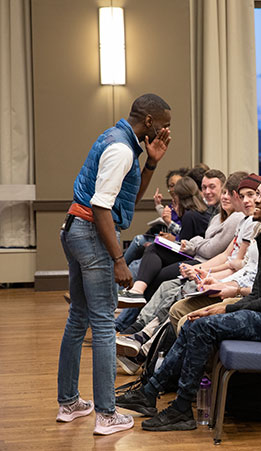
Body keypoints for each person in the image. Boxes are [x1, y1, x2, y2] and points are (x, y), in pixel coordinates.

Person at [115, 182, 261, 432]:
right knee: (195, 322)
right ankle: (151, 393)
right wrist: (219, 308)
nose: (257, 201)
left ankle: (181, 407)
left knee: (202, 327)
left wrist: (224, 309)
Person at [56, 93, 171, 435]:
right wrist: (119, 260)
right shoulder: (121, 150)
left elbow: (127, 198)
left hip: (75, 229)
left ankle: (69, 403)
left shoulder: (114, 137)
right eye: (164, 124)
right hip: (92, 233)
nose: (167, 130)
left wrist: (151, 164)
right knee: (105, 324)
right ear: (148, 121)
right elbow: (102, 207)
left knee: (79, 317)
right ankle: (107, 415)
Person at [117, 176, 211, 304]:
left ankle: (130, 289)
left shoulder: (190, 216)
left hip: (195, 260)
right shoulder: (202, 212)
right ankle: (132, 293)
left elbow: (185, 244)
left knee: (150, 255)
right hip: (195, 256)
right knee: (147, 252)